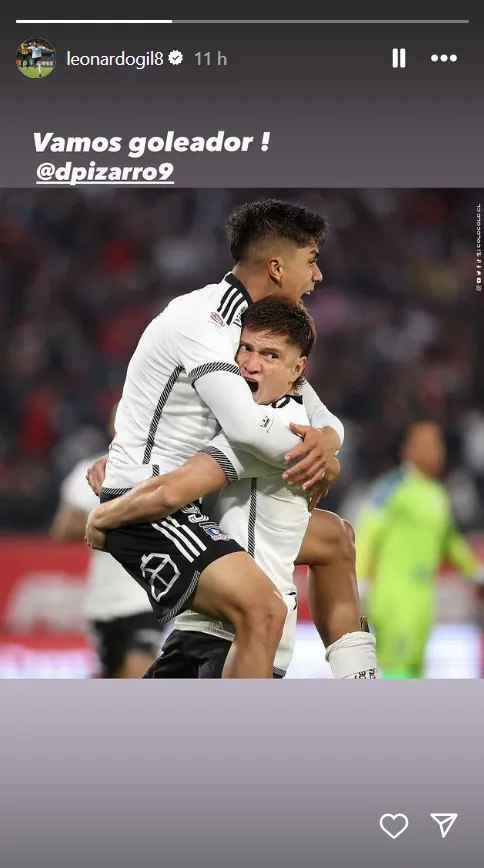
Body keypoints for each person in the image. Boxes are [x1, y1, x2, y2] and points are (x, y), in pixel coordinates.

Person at [85, 198, 362, 679]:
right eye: (311, 260)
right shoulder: (208, 320)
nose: (317, 277)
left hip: (194, 497)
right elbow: (247, 428)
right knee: (265, 611)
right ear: (277, 267)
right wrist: (318, 452)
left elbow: (326, 420)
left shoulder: (248, 331)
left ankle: (363, 685)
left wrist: (327, 446)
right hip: (152, 502)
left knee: (334, 538)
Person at [355, 421, 484, 679]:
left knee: (416, 669)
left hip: (423, 600)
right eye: (429, 444)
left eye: (440, 445)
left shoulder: (438, 493)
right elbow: (367, 534)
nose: (438, 451)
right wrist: (360, 582)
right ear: (408, 450)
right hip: (393, 598)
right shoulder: (391, 488)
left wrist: (476, 573)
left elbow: (450, 543)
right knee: (396, 670)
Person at [50, 408, 164, 678]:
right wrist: (115, 517)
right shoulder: (91, 470)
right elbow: (62, 530)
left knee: (137, 673)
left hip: (147, 598)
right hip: (102, 603)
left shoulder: (165, 471)